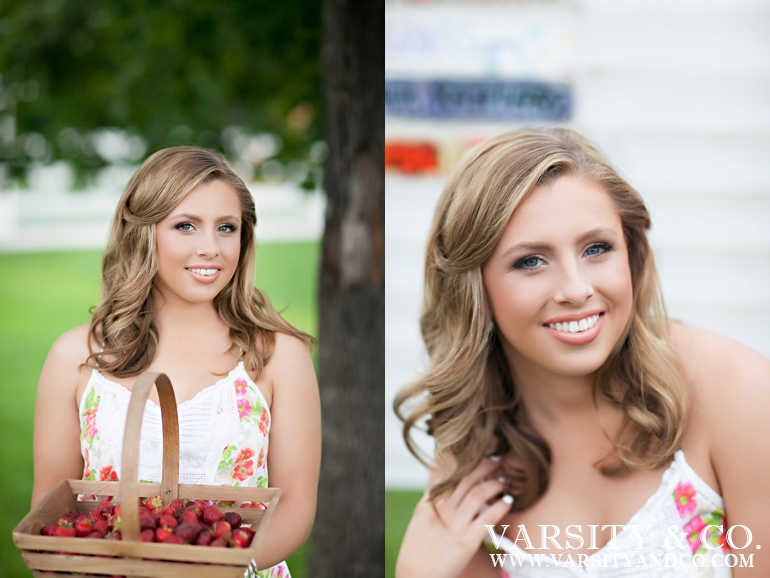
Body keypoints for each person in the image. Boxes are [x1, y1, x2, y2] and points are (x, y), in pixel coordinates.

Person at [394, 128, 770, 577]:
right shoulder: (473, 459)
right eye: (530, 261)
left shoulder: (737, 392)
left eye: (597, 248)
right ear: (473, 289)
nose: (575, 289)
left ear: (630, 254)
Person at [31, 146, 321, 577]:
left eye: (227, 228)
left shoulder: (278, 356)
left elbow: (296, 504)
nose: (211, 248)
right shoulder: (77, 358)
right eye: (185, 226)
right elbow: (50, 511)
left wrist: (207, 568)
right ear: (144, 232)